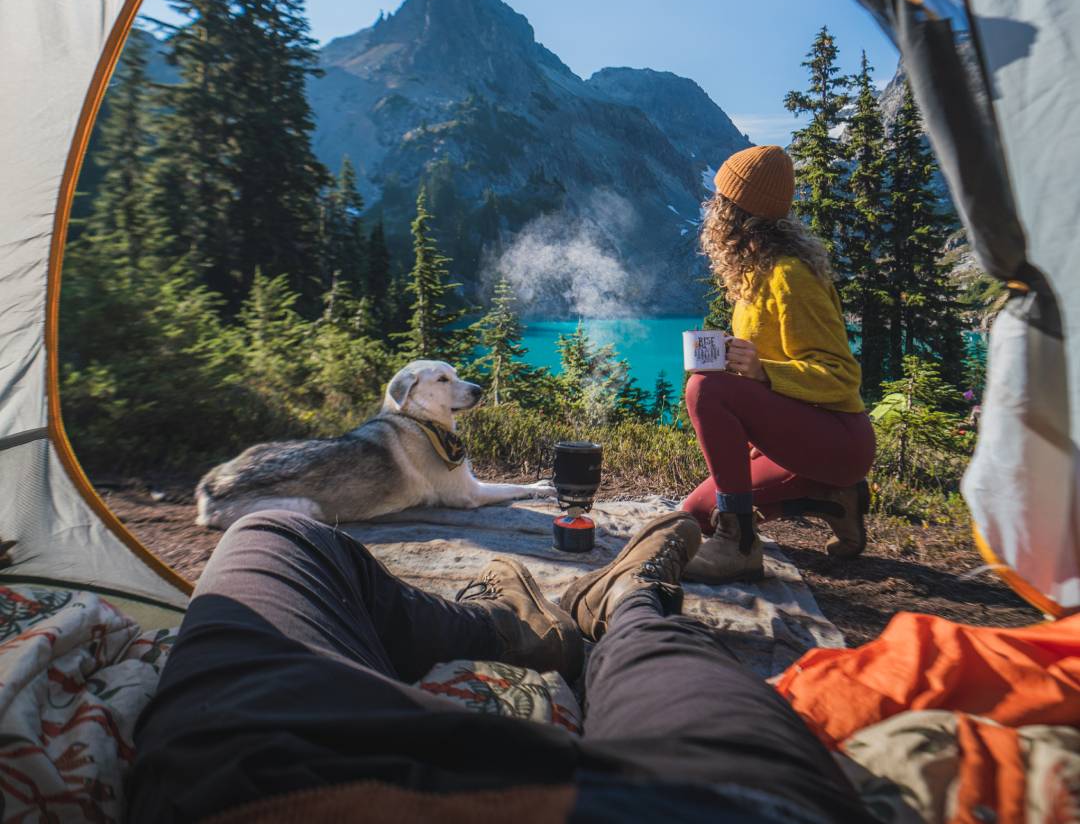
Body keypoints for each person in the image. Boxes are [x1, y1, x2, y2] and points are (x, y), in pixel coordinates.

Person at [127, 509, 871, 823]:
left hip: (273, 787)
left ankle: (517, 631)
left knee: (275, 534)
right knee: (662, 651)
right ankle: (629, 604)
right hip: (689, 810)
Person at [680, 145, 876, 584]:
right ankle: (834, 497)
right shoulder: (755, 275)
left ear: (734, 212)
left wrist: (765, 371)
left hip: (839, 440)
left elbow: (842, 376)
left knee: (704, 389)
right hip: (801, 440)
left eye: (719, 201)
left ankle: (740, 545)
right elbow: (767, 392)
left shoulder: (790, 276)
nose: (712, 208)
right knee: (696, 514)